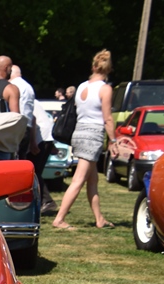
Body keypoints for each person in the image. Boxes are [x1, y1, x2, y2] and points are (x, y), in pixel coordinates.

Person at [52, 49, 118, 230]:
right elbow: (107, 118)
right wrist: (113, 141)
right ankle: (59, 219)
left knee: (93, 180)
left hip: (79, 133)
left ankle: (99, 219)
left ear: (93, 67)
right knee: (78, 180)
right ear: (109, 69)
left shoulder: (81, 86)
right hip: (92, 135)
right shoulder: (105, 89)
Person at [32, 100, 58, 213]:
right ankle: (44, 201)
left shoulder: (24, 98)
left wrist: (32, 143)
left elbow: (33, 120)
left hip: (40, 137)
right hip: (46, 137)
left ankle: (47, 201)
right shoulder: (34, 101)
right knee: (36, 172)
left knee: (33, 172)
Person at [10, 65, 39, 159]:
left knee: (12, 158)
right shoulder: (29, 87)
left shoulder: (12, 86)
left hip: (16, 126)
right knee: (21, 157)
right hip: (27, 127)